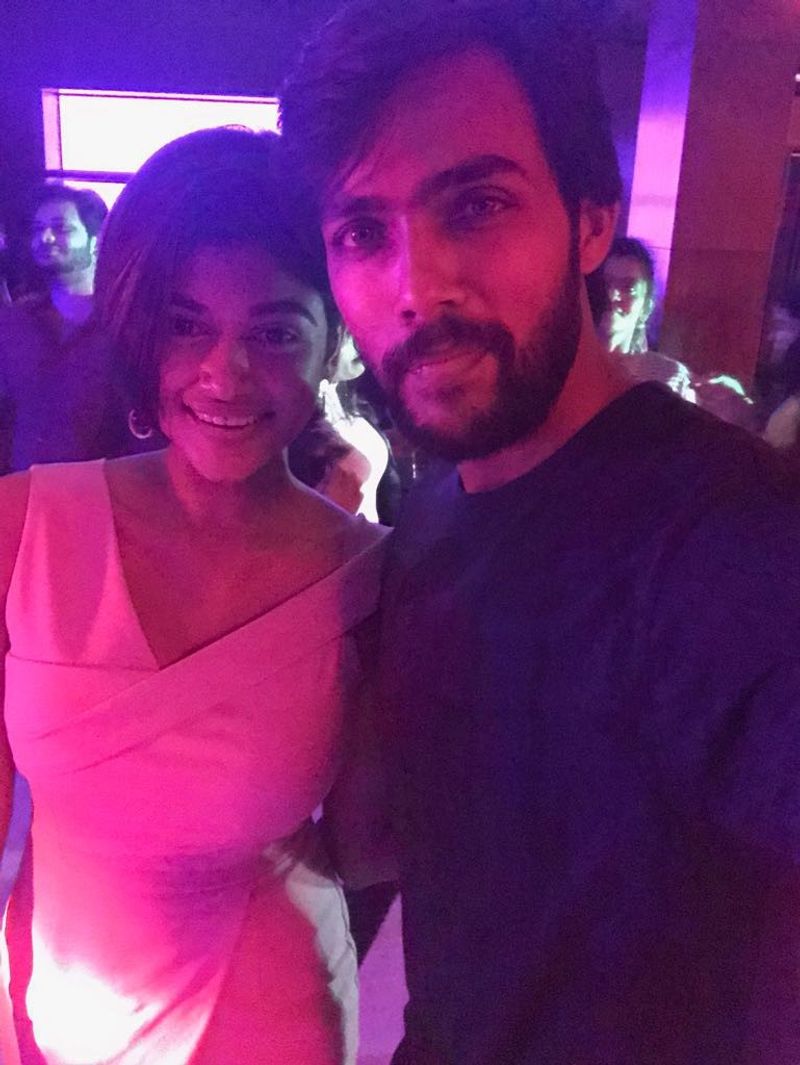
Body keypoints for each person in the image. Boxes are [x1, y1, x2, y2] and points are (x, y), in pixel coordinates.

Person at [281, 2, 800, 1062]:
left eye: (476, 205)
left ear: (591, 222)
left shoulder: (729, 539)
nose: (417, 287)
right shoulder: (434, 513)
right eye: (363, 233)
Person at [0, 127, 391, 1065]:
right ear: (140, 332)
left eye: (274, 332)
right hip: (56, 995)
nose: (225, 371)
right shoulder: (23, 526)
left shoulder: (370, 578)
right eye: (186, 324)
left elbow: (368, 845)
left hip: (269, 1015)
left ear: (333, 341)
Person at [0, 184, 132, 473]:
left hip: (105, 487)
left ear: (96, 241)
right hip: (26, 489)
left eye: (60, 228)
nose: (45, 238)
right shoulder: (14, 322)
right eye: (38, 229)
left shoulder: (127, 323)